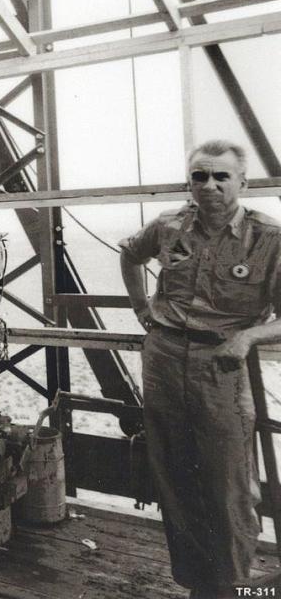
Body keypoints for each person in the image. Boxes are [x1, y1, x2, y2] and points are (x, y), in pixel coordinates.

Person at [119, 139, 281, 598]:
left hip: (221, 367)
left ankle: (230, 585)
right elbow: (131, 255)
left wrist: (247, 337)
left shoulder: (269, 237)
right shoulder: (170, 225)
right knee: (174, 473)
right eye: (199, 176)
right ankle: (197, 584)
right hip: (165, 358)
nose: (208, 185)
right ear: (189, 182)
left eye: (220, 177)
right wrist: (140, 309)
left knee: (227, 482)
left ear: (242, 183)